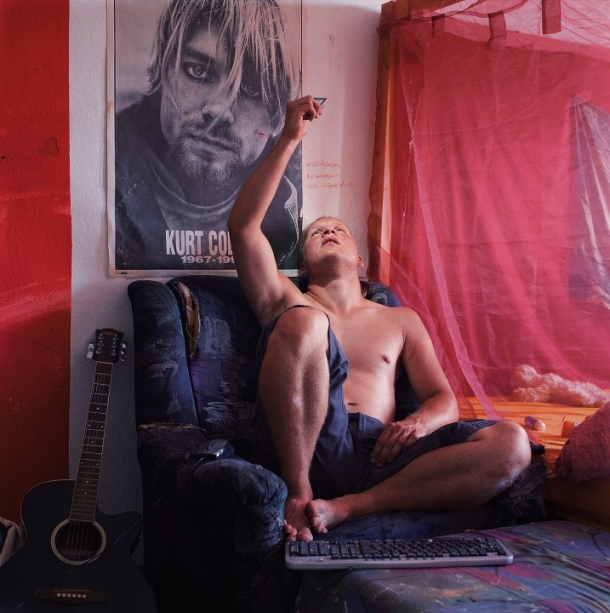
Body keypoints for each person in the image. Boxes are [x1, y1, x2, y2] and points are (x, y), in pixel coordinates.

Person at [228, 95, 532, 542]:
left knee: (512, 444)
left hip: (384, 457)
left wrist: (419, 424)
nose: (328, 231)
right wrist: (290, 137)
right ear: (303, 263)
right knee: (306, 321)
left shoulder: (401, 319)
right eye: (317, 232)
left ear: (359, 259)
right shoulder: (285, 299)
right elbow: (243, 227)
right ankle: (299, 494)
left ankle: (350, 507)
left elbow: (442, 399)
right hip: (307, 446)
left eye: (339, 229)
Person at [114, 0, 301, 271]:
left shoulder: (299, 199)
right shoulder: (106, 163)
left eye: (250, 88)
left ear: (277, 114)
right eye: (198, 71)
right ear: (164, 73)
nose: (219, 111)